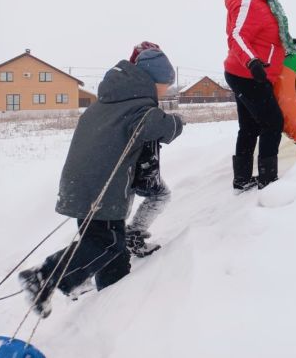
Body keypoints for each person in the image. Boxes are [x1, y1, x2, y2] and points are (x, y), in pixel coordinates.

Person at [18, 48, 185, 318]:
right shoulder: (138, 107)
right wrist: (178, 121)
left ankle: (112, 305)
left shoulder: (108, 101)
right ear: (153, 81)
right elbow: (161, 127)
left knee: (111, 253)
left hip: (81, 184)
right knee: (107, 244)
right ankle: (44, 276)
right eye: (164, 86)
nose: (164, 92)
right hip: (101, 189)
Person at [223, 0, 296, 193]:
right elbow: (237, 35)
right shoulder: (248, 1)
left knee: (249, 127)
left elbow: (267, 38)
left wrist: (290, 43)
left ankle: (242, 180)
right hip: (248, 74)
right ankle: (268, 181)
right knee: (272, 122)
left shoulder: (262, 2)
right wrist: (252, 62)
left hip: (249, 73)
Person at [125, 42, 173, 258]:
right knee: (109, 226)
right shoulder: (137, 96)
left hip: (138, 162)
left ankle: (133, 235)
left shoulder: (132, 88)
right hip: (128, 167)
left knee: (160, 194)